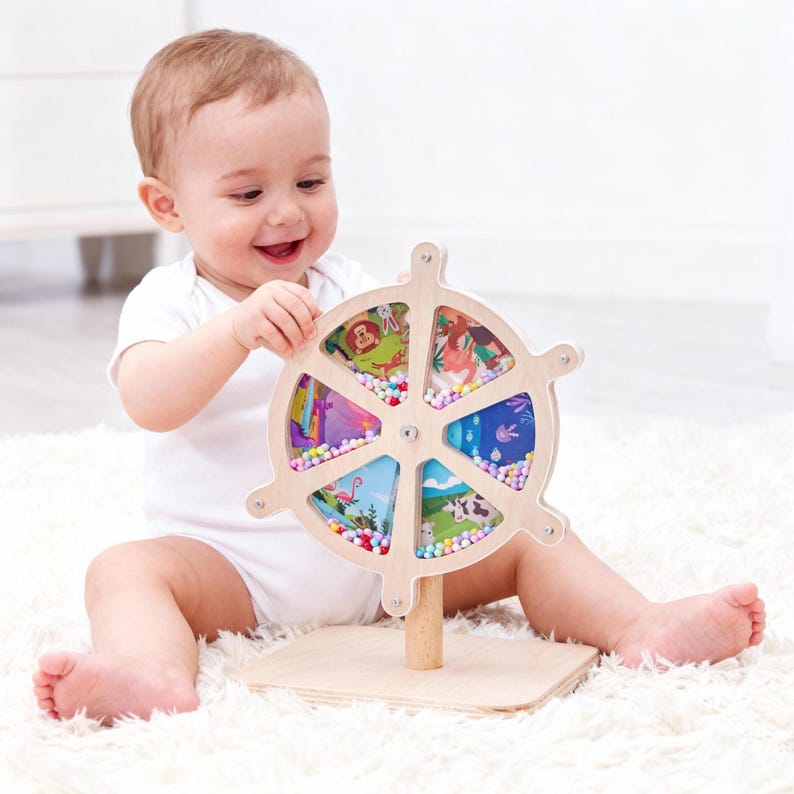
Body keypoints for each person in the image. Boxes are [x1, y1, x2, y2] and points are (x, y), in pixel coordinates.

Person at [32, 29, 766, 725]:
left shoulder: (346, 287)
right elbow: (148, 400)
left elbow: (428, 384)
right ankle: (149, 672)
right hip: (234, 568)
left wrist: (445, 351)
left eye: (310, 180)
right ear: (166, 205)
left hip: (388, 549)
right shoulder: (170, 300)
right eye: (248, 195)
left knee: (522, 532)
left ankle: (640, 626)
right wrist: (233, 332)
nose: (287, 212)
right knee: (123, 570)